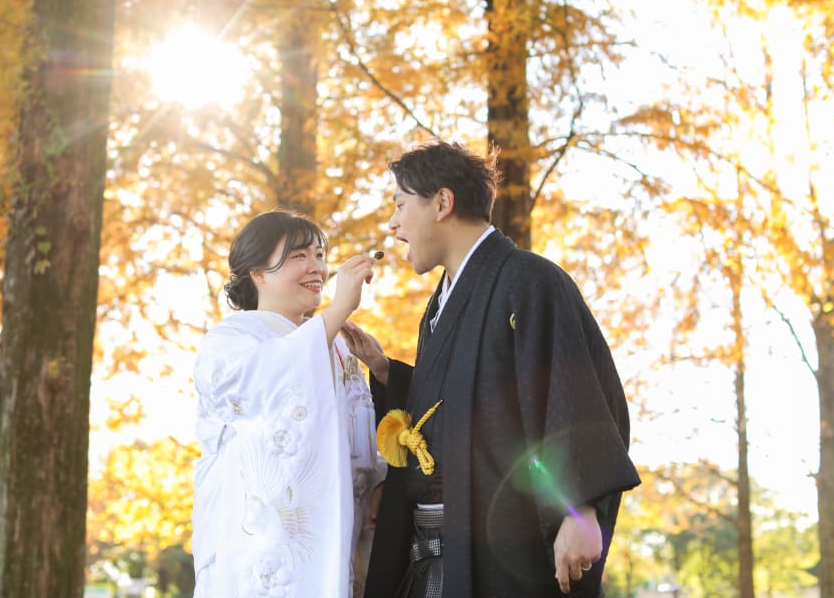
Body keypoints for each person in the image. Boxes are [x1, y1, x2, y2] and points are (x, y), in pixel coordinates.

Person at [342, 141, 641, 598]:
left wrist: (580, 510)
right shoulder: (439, 306)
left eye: (400, 204)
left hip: (502, 556)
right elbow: (447, 410)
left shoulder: (530, 280)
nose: (393, 223)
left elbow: (578, 398)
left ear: (442, 203)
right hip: (434, 557)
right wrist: (388, 374)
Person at [190, 211, 388, 598]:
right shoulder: (231, 339)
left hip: (336, 543)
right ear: (258, 273)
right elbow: (264, 386)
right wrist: (336, 311)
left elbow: (360, 437)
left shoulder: (340, 348)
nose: (316, 267)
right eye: (299, 256)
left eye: (320, 255)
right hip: (259, 555)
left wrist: (379, 482)